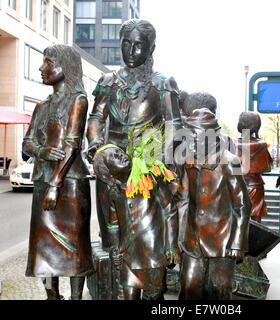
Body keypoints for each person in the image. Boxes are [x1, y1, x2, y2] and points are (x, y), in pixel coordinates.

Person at [86, 19, 182, 250]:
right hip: (112, 164)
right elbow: (96, 117)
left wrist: (163, 159)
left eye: (139, 45)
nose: (131, 51)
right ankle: (113, 280)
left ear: (151, 48)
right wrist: (96, 144)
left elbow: (173, 124)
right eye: (126, 44)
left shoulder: (162, 84)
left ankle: (148, 280)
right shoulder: (108, 81)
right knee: (111, 233)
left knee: (146, 236)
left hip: (147, 165)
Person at [23, 45, 93, 300]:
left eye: (48, 62)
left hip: (70, 182)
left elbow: (72, 144)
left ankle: (75, 297)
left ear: (64, 66)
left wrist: (56, 183)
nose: (42, 68)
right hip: (44, 180)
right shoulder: (41, 106)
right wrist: (42, 151)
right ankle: (52, 295)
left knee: (75, 246)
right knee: (44, 245)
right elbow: (27, 143)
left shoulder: (78, 100)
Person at [176, 108, 251, 300]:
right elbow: (183, 200)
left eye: (194, 134)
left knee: (219, 289)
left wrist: (237, 242)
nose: (189, 139)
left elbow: (242, 204)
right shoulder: (187, 159)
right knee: (189, 287)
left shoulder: (230, 161)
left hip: (222, 240)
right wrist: (179, 236)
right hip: (193, 239)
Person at [93, 144, 179, 300]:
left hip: (154, 253)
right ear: (108, 173)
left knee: (153, 296)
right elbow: (113, 225)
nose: (120, 154)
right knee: (127, 295)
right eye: (113, 156)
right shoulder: (114, 192)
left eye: (119, 151)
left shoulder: (150, 176)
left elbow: (169, 210)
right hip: (128, 256)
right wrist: (114, 249)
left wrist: (171, 245)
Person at [235, 112, 273, 223]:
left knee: (237, 218)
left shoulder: (232, 144)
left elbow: (232, 166)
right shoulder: (262, 145)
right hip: (255, 185)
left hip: (236, 184)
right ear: (257, 126)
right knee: (256, 217)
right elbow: (267, 167)